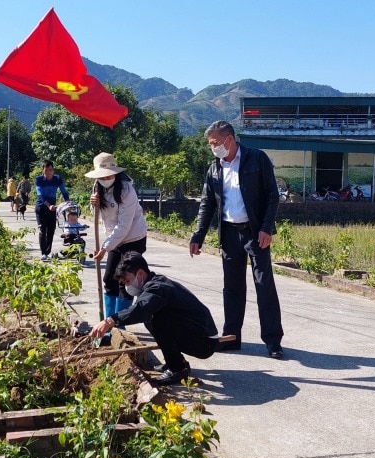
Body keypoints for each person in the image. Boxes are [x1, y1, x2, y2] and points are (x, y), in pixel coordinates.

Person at [189, 120, 285, 359]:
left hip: (255, 233)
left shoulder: (257, 159)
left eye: (215, 143)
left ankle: (273, 341)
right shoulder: (215, 168)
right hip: (230, 234)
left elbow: (272, 196)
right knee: (231, 288)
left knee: (264, 286)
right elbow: (207, 203)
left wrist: (266, 228)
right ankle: (231, 337)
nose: (213, 148)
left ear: (229, 140)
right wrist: (198, 235)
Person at [90, 251, 219, 386]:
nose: (127, 286)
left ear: (140, 274)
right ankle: (175, 362)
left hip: (204, 341)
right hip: (198, 334)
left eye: (127, 281)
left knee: (156, 319)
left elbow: (140, 310)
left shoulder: (158, 288)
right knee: (153, 318)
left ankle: (178, 369)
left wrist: (110, 321)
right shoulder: (154, 284)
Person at [86, 152, 148, 340]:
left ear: (115, 173)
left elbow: (124, 226)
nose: (106, 178)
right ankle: (106, 323)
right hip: (113, 238)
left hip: (133, 238)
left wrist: (105, 247)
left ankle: (119, 327)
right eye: (102, 175)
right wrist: (93, 204)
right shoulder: (97, 187)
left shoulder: (127, 190)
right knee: (108, 279)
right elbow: (99, 214)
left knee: (124, 281)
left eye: (109, 174)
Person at [34, 160, 69, 261]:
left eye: (50, 170)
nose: (48, 172)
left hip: (52, 209)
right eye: (46, 170)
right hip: (41, 208)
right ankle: (43, 253)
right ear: (43, 170)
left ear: (53, 170)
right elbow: (40, 195)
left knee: (51, 230)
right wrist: (49, 205)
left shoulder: (57, 179)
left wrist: (67, 202)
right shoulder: (39, 179)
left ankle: (47, 252)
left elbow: (64, 191)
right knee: (42, 230)